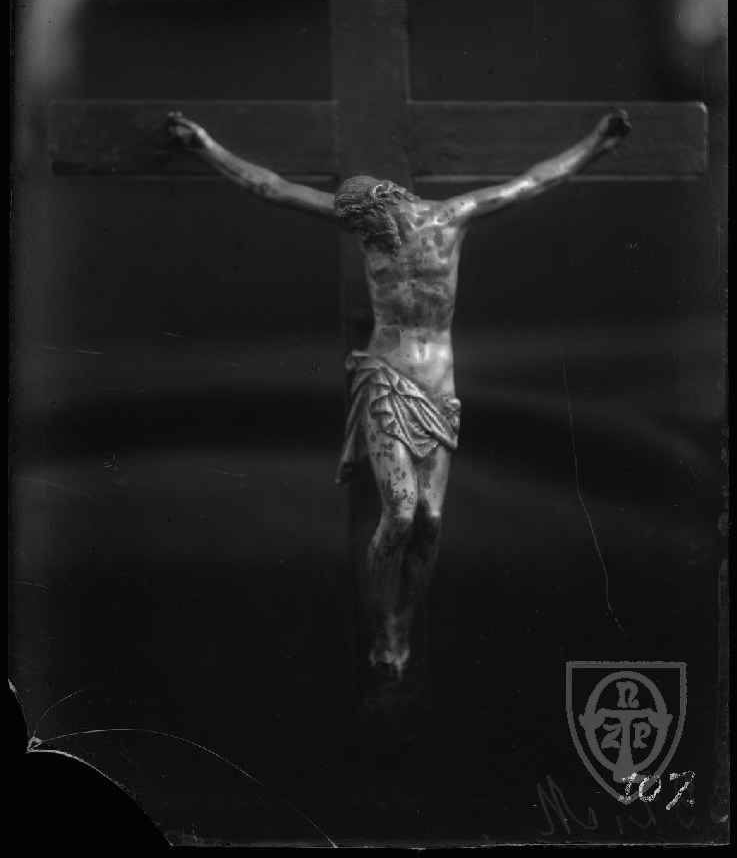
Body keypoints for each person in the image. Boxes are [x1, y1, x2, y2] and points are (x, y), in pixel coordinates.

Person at [169, 109, 631, 679]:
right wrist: (206, 146)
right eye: (359, 233)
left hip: (438, 385)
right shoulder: (362, 224)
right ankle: (384, 624)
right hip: (385, 377)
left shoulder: (453, 218)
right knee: (401, 511)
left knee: (431, 518)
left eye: (368, 229)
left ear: (387, 206)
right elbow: (274, 187)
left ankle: (405, 619)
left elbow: (533, 182)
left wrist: (597, 143)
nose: (366, 241)